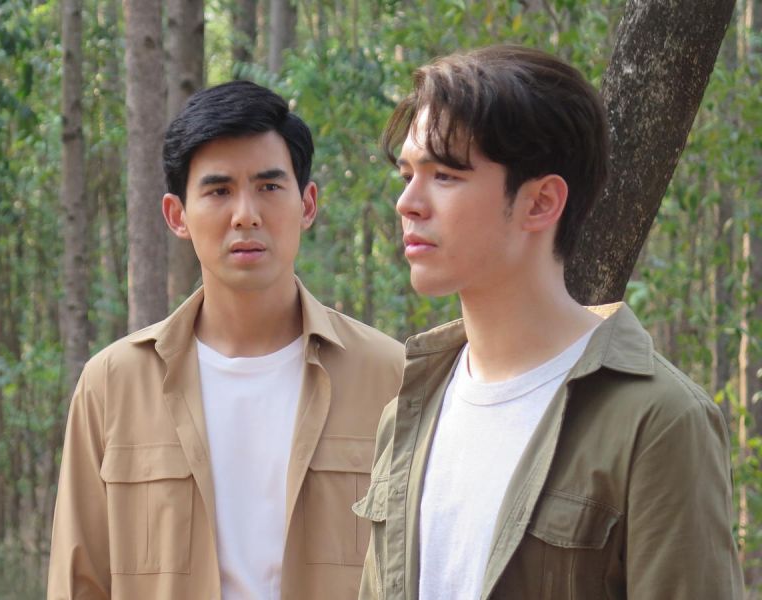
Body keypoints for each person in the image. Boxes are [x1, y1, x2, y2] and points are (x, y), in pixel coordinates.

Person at [355, 45, 743, 600]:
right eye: (407, 174)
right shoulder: (409, 413)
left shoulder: (657, 420)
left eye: (444, 175)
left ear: (540, 203)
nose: (407, 203)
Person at [47, 80, 404, 600]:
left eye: (268, 187)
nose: (245, 214)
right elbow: (79, 582)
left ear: (307, 204)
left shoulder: (390, 377)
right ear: (177, 216)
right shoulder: (113, 384)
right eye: (218, 191)